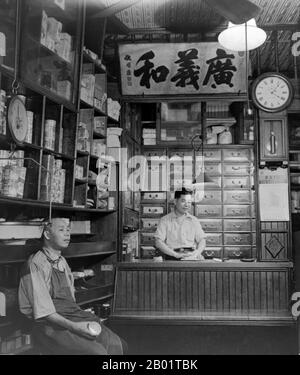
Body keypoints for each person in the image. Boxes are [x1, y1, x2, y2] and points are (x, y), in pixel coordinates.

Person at [18, 216, 125, 355]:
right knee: (97, 352)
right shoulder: (35, 264)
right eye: (61, 229)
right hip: (48, 326)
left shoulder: (62, 262)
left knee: (116, 344)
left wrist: (81, 321)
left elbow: (71, 302)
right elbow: (45, 313)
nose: (67, 233)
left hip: (72, 317)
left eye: (68, 230)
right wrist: (76, 328)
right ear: (47, 234)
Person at [154, 188, 206, 261]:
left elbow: (202, 240)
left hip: (191, 257)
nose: (186, 205)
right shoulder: (165, 220)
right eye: (183, 201)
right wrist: (176, 255)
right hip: (172, 257)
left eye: (189, 202)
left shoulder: (194, 220)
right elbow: (158, 242)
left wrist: (197, 253)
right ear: (175, 201)